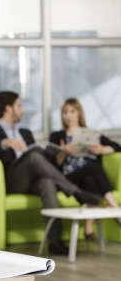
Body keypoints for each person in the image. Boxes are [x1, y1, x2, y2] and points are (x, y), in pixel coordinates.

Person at [0, 91, 100, 255]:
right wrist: (5, 142)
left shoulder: (25, 133)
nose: (22, 110)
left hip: (34, 179)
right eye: (19, 106)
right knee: (34, 156)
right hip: (13, 181)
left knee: (47, 182)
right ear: (8, 109)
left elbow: (41, 160)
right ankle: (76, 191)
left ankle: (55, 241)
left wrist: (60, 152)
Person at [50, 98, 121, 239]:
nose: (68, 116)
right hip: (67, 178)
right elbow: (52, 164)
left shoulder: (92, 135)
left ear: (79, 113)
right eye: (65, 112)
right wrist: (65, 152)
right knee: (93, 167)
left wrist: (102, 149)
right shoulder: (57, 136)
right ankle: (116, 209)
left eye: (72, 111)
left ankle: (88, 230)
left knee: (91, 178)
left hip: (86, 178)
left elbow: (117, 146)